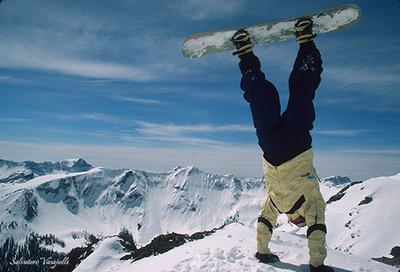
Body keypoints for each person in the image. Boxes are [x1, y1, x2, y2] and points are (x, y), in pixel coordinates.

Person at [231, 19, 334, 272]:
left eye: (298, 222)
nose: (300, 220)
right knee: (301, 90)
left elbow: (264, 223)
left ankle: (245, 54)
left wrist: (262, 251)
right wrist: (317, 265)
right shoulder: (313, 202)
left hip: (274, 148)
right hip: (296, 145)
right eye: (301, 222)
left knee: (264, 95)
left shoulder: (277, 203)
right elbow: (317, 229)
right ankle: (306, 42)